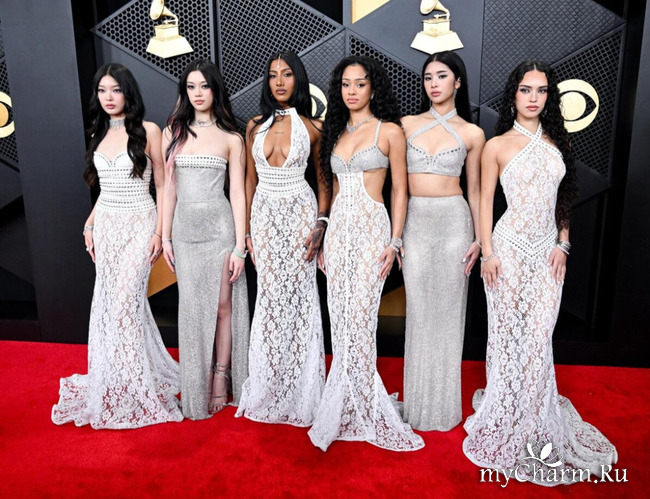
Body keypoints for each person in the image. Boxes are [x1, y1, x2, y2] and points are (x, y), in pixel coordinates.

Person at [463, 60, 617, 484]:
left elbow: (563, 197)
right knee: (507, 333)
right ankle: (508, 411)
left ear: (549, 96)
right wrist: (488, 253)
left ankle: (535, 415)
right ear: (513, 94)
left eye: (542, 90)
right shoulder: (497, 145)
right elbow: (484, 201)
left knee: (538, 335)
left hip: (548, 253)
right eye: (526, 89)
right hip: (508, 250)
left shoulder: (557, 142)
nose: (533, 98)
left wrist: (563, 242)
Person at [51, 63, 183, 428]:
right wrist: (90, 223)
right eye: (102, 90)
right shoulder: (98, 131)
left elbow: (164, 185)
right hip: (107, 227)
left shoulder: (149, 131)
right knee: (113, 304)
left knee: (125, 301)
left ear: (128, 92)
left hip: (141, 224)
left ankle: (133, 384)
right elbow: (105, 191)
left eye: (116, 90)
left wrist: (160, 234)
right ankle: (120, 376)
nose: (109, 97)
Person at [308, 56, 424, 451]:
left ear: (373, 87)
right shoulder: (334, 131)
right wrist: (324, 234)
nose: (352, 91)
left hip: (373, 232)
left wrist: (395, 241)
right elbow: (332, 190)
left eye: (360, 83)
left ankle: (363, 405)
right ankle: (344, 402)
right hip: (339, 233)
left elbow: (399, 190)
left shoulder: (389, 131)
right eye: (346, 84)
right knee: (341, 322)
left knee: (360, 319)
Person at [235, 51, 329, 426]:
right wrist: (246, 231)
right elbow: (248, 180)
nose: (279, 81)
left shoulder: (313, 127)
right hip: (264, 217)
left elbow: (323, 181)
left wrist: (321, 223)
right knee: (271, 298)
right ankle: (270, 384)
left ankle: (301, 388)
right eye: (273, 75)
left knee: (300, 297)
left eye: (287, 74)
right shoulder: (254, 126)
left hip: (300, 215)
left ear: (297, 79)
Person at [401, 51, 485, 431]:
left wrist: (480, 239)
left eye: (442, 76)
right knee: (419, 313)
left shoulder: (472, 133)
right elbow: (395, 185)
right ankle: (418, 404)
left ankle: (443, 407)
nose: (433, 83)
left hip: (454, 224)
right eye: (428, 77)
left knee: (449, 315)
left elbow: (476, 191)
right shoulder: (406, 125)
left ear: (458, 81)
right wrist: (395, 234)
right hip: (416, 222)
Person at [161, 59, 249, 419]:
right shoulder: (173, 132)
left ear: (215, 90)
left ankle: (220, 376)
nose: (197, 93)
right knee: (191, 308)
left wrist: (240, 246)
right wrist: (165, 237)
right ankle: (195, 379)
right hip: (184, 232)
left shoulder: (232, 138)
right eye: (191, 87)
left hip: (219, 230)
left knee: (223, 306)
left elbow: (238, 194)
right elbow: (168, 189)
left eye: (204, 86)